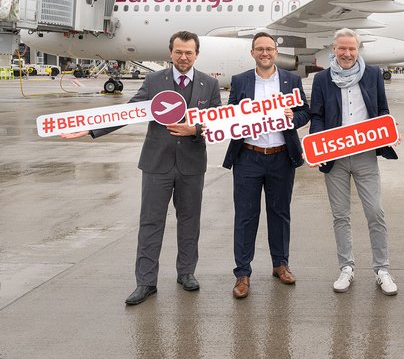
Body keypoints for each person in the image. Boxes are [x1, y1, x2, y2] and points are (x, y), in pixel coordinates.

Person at [61, 31, 221, 305]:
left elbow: (217, 121)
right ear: (170, 53)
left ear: (197, 54)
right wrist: (91, 128)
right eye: (179, 52)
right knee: (150, 222)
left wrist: (194, 129)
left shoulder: (210, 84)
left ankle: (186, 273)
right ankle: (146, 282)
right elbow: (127, 112)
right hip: (157, 164)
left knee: (190, 222)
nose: (183, 57)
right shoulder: (154, 81)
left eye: (188, 53)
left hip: (192, 165)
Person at [309, 28, 398, 295]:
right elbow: (317, 115)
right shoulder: (322, 79)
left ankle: (382, 269)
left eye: (351, 48)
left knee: (375, 212)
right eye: (342, 48)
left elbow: (382, 110)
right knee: (340, 215)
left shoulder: (372, 75)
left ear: (358, 50)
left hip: (365, 154)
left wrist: (388, 131)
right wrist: (317, 147)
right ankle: (346, 267)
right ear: (333, 49)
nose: (347, 53)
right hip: (335, 156)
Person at [222, 32, 310, 299]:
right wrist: (238, 117)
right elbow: (229, 115)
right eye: (259, 49)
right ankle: (242, 274)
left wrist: (292, 117)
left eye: (269, 49)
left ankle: (280, 265)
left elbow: (305, 112)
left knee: (280, 214)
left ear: (276, 52)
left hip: (281, 157)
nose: (264, 53)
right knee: (245, 216)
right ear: (252, 53)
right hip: (248, 157)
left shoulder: (291, 80)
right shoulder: (240, 80)